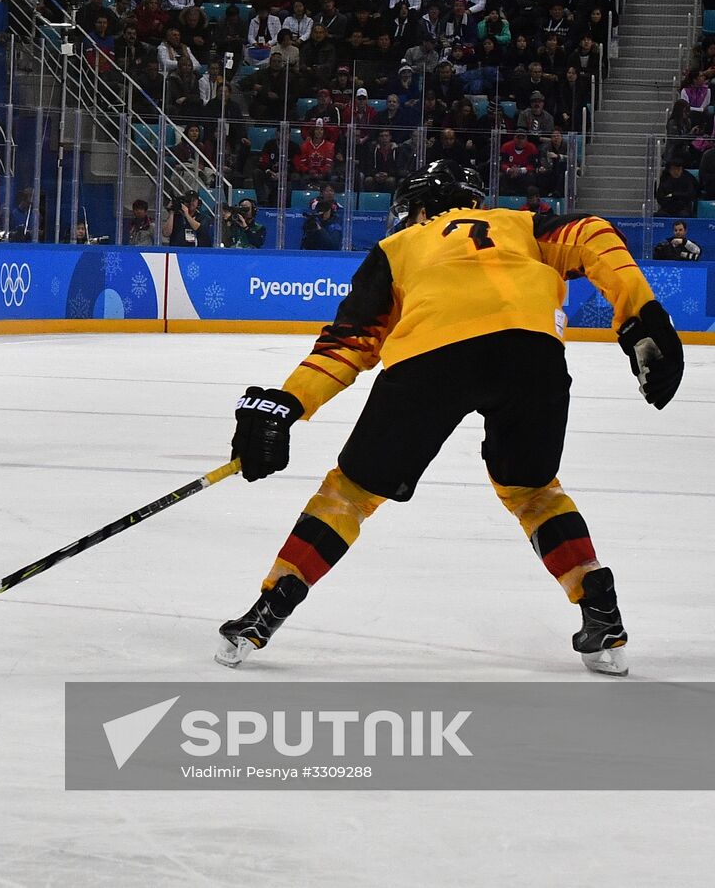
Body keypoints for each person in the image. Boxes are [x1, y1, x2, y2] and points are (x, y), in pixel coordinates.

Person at [217, 160, 684, 677]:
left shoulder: (399, 247)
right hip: (533, 352)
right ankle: (598, 606)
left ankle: (269, 609)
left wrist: (288, 403)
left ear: (418, 208)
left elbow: (347, 347)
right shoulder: (518, 224)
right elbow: (595, 232)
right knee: (532, 490)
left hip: (432, 355)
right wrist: (640, 311)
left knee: (350, 493)